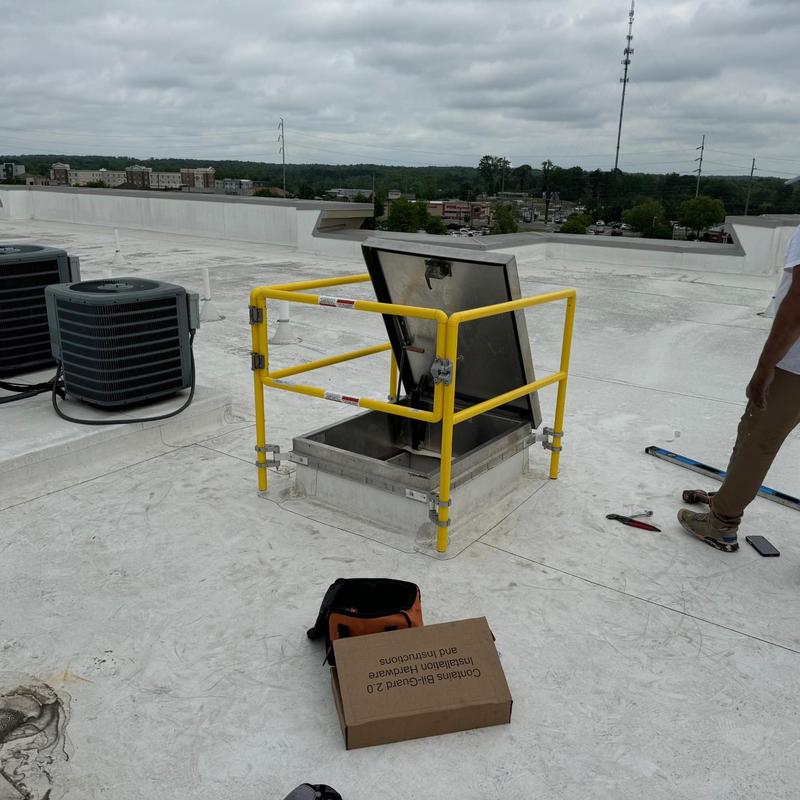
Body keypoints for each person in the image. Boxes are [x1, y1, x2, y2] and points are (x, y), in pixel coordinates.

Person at [678, 224, 800, 552]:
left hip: (795, 368)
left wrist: (765, 366)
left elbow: (798, 303)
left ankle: (721, 523)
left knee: (757, 439)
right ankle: (729, 495)